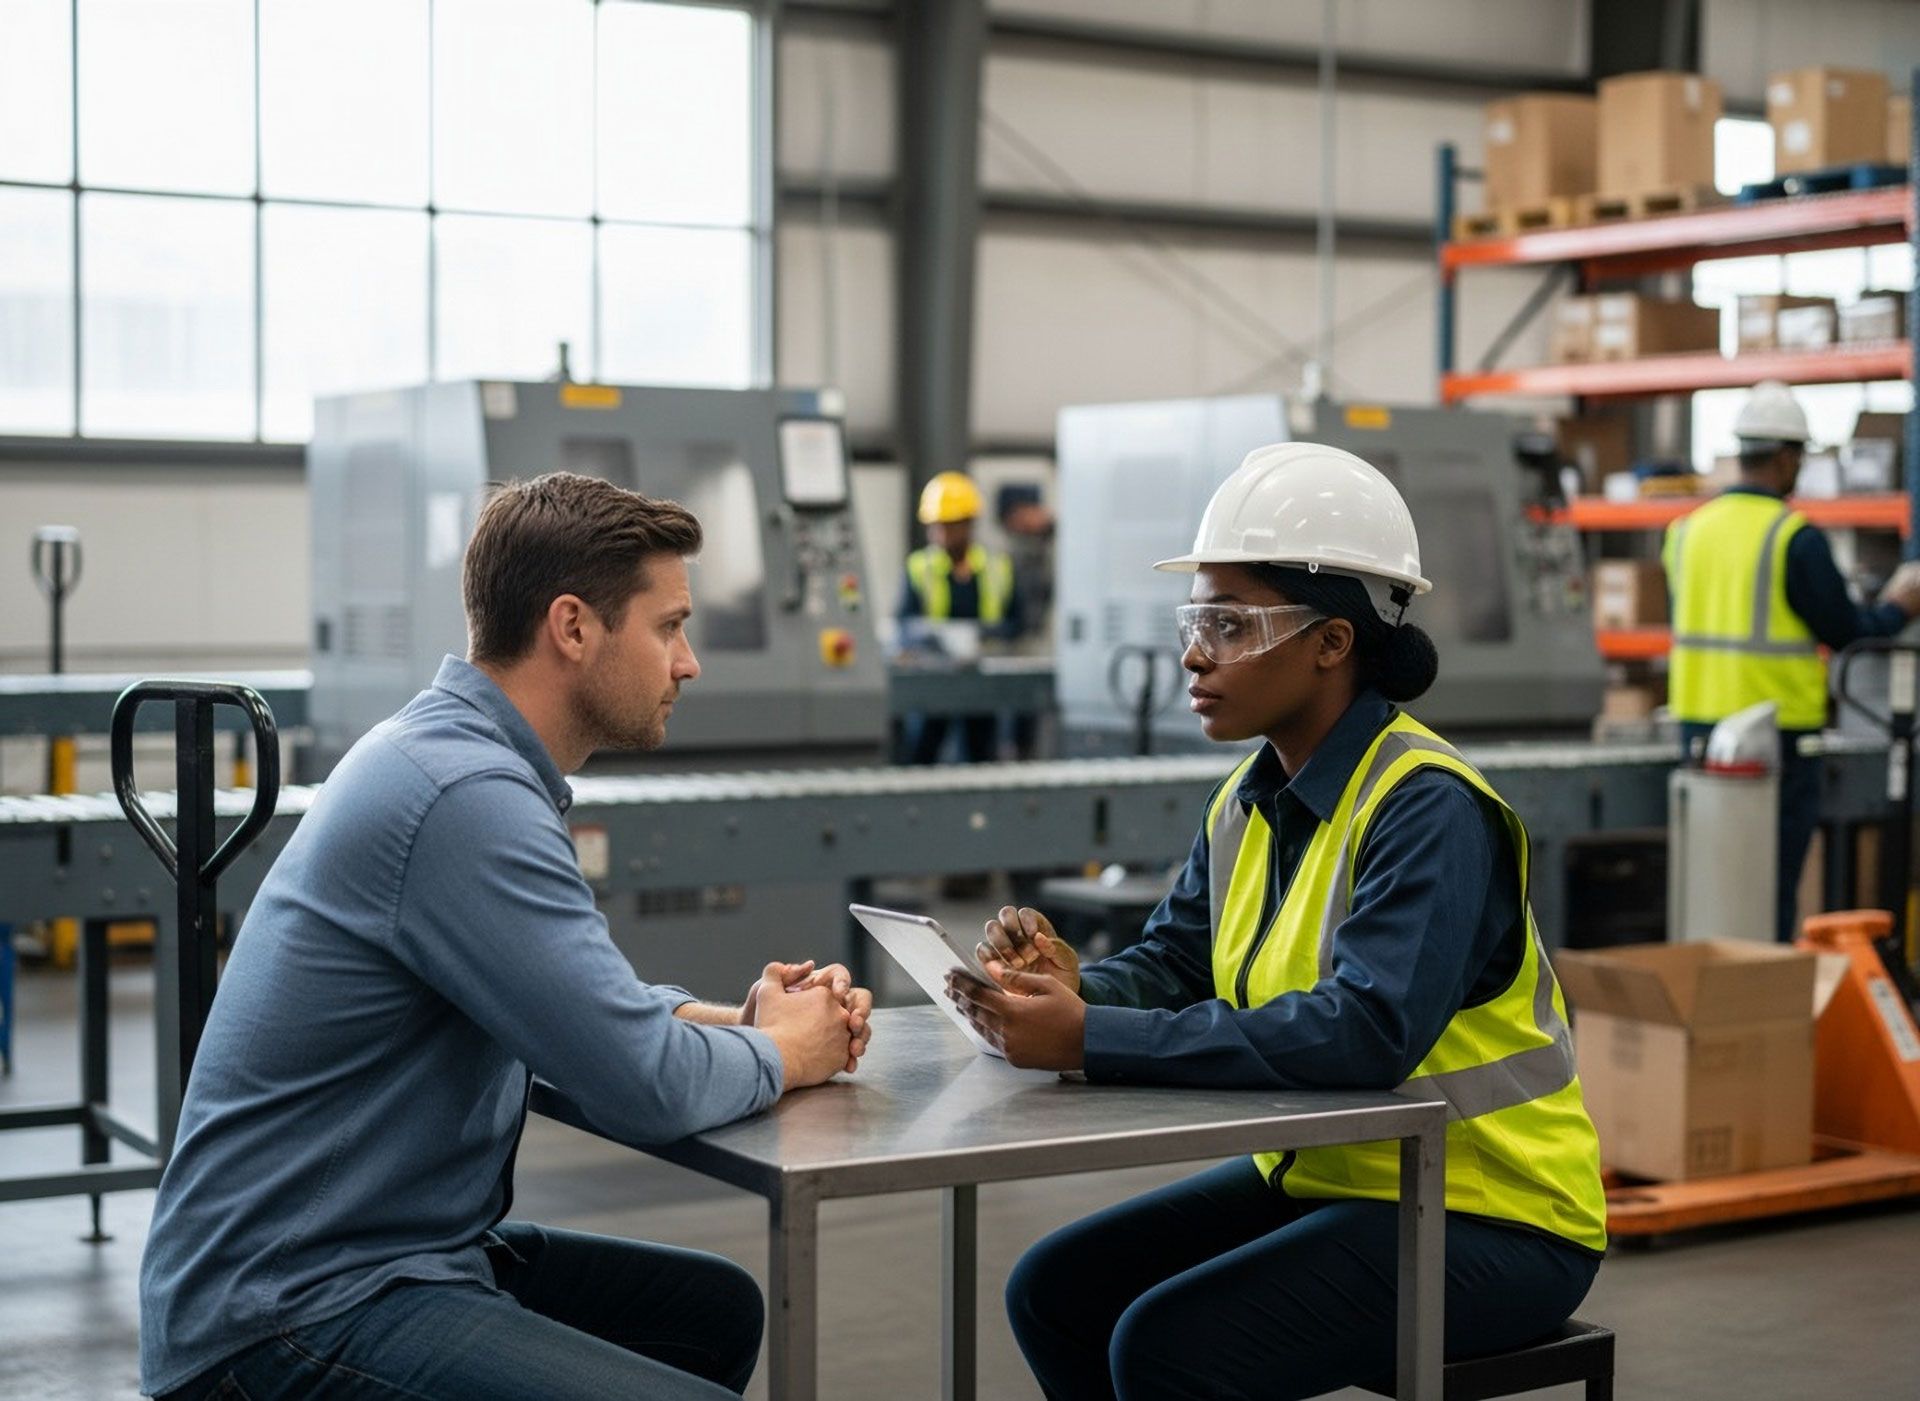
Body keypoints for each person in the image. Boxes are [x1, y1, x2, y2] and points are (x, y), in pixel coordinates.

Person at [139, 473, 874, 1401]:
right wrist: (783, 1053)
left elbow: (567, 1008)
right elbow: (638, 1082)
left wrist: (739, 1018)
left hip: (396, 1252)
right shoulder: (463, 796)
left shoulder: (456, 759)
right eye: (669, 626)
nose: (689, 663)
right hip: (288, 1308)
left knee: (709, 1310)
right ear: (572, 626)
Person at [944, 442, 1608, 1401]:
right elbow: (1176, 958)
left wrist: (1091, 1035)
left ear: (1332, 643)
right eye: (1195, 618)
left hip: (1492, 1209)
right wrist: (1071, 984)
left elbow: (1367, 1031)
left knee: (1171, 1348)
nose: (1193, 653)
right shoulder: (1249, 800)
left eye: (1229, 623)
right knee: (1056, 1292)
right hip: (1336, 1180)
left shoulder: (1428, 809)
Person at [1663, 380, 1920, 941]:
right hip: (1775, 742)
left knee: (1707, 888)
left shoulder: (1686, 532)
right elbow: (1847, 630)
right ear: (1785, 459)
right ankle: (1764, 1012)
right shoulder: (1793, 538)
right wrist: (1898, 607)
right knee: (1768, 889)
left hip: (1698, 733)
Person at [898, 470, 1023, 763]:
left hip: (981, 682)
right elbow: (904, 622)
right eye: (937, 526)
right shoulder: (919, 567)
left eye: (951, 526)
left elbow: (1017, 623)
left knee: (981, 758)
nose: (942, 534)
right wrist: (939, 637)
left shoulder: (998, 567)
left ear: (968, 524)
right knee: (921, 757)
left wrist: (980, 635)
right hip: (932, 682)